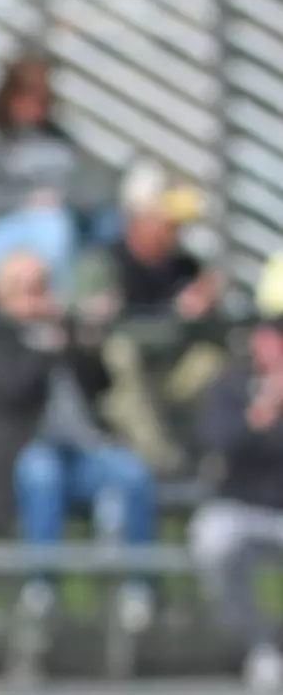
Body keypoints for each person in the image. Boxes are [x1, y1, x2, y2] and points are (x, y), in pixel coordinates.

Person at [0, 252, 157, 632]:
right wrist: (43, 348)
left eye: (43, 287)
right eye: (29, 290)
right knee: (42, 473)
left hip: (83, 454)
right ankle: (42, 585)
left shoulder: (63, 331)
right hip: (24, 458)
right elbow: (12, 391)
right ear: (4, 298)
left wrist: (85, 340)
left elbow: (101, 385)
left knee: (132, 474)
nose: (40, 298)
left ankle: (139, 585)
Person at [86, 160, 224, 474]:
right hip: (117, 388)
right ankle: (162, 464)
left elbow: (211, 339)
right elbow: (111, 339)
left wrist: (207, 312)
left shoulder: (185, 266)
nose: (177, 232)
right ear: (140, 220)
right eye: (169, 223)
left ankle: (216, 462)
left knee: (211, 360)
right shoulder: (104, 264)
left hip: (170, 377)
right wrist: (178, 315)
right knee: (122, 355)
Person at [0, 55, 118, 299]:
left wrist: (64, 199)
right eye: (29, 95)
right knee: (50, 224)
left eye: (43, 97)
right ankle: (58, 309)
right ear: (10, 95)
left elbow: (95, 187)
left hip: (63, 225)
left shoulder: (60, 140)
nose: (37, 104)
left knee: (111, 223)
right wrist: (26, 200)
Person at [189, 260, 283, 692]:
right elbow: (219, 442)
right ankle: (261, 645)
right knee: (213, 536)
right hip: (247, 508)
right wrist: (263, 414)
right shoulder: (233, 383)